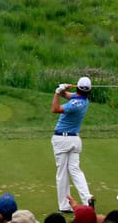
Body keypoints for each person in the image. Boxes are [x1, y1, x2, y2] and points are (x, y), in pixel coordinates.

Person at [51, 77, 93, 213]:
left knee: (62, 173)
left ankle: (64, 205)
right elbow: (69, 95)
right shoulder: (84, 101)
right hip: (74, 140)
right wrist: (63, 89)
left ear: (78, 88)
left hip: (62, 140)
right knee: (75, 170)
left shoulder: (74, 104)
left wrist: (57, 93)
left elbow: (55, 109)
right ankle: (87, 199)